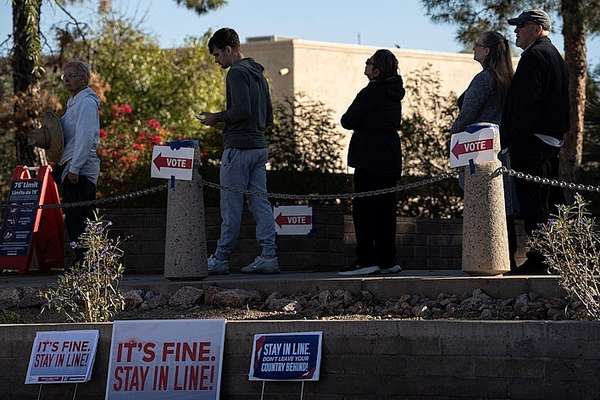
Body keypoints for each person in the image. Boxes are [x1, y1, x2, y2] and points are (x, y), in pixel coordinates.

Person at [199, 27, 279, 275]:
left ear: (228, 50)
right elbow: (268, 116)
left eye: (217, 55)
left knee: (230, 206)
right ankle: (268, 255)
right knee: (260, 204)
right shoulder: (258, 74)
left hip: (238, 148)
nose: (216, 61)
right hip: (258, 146)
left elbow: (241, 110)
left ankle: (221, 258)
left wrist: (216, 117)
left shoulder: (235, 73)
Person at [501, 9, 570, 274]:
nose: (516, 31)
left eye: (521, 26)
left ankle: (540, 260)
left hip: (532, 143)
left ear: (536, 27)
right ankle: (551, 257)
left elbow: (525, 105)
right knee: (547, 203)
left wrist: (510, 139)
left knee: (535, 204)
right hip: (548, 141)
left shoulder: (536, 55)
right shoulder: (553, 55)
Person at [451, 31, 520, 270]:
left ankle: (483, 263)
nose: (473, 48)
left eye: (477, 45)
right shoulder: (508, 79)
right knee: (502, 208)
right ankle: (505, 260)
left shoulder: (483, 79)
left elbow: (467, 115)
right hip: (500, 151)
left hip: (477, 152)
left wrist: (453, 134)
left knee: (480, 207)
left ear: (487, 51)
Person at [338, 49, 405, 276]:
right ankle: (387, 259)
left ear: (377, 70)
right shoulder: (394, 92)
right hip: (390, 156)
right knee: (386, 211)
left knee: (364, 210)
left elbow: (347, 120)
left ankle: (366, 259)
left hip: (369, 157)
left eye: (368, 63)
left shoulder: (371, 91)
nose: (365, 66)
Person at [59, 59, 101, 256]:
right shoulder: (74, 102)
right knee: (75, 220)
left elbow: (85, 137)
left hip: (80, 172)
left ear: (84, 78)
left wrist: (75, 168)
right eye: (64, 77)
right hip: (72, 168)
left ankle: (87, 265)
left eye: (72, 76)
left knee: (80, 220)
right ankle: (84, 264)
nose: (67, 80)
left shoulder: (85, 102)